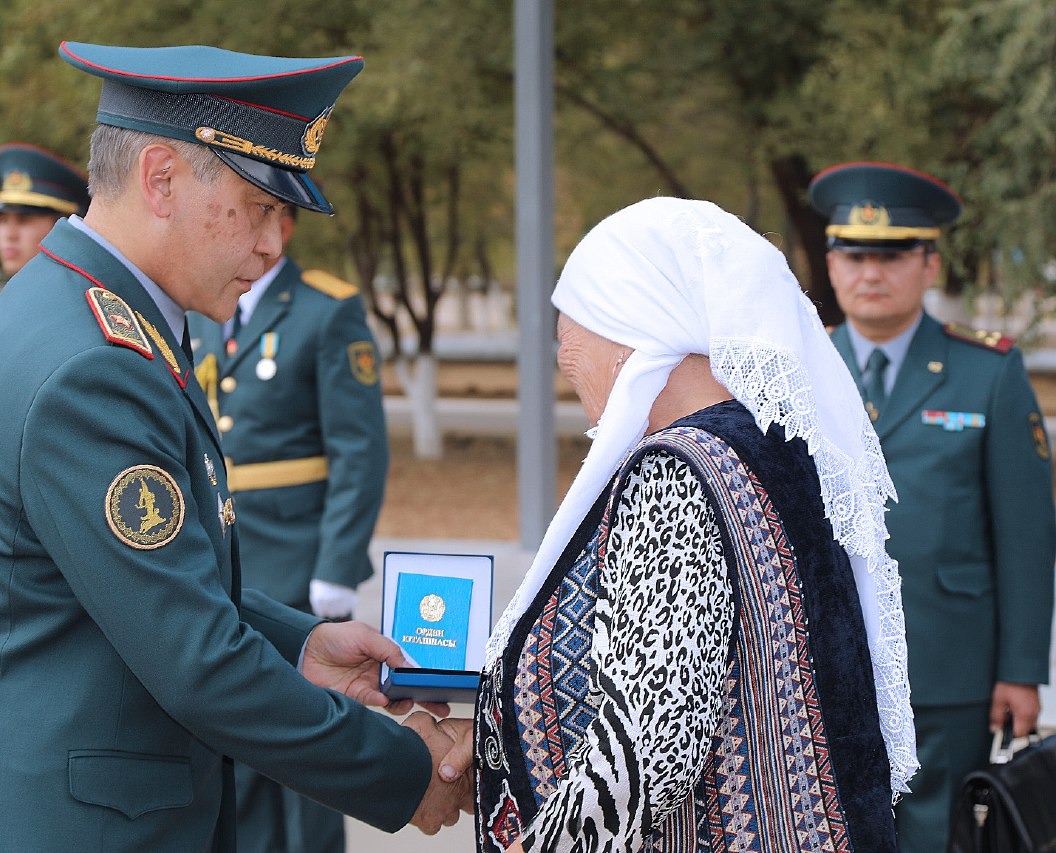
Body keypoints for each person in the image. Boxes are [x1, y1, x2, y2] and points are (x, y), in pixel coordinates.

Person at [0, 41, 467, 851]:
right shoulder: (94, 362)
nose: (275, 244)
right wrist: (407, 770)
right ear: (161, 179)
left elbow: (147, 584)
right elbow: (194, 658)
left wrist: (298, 642)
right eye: (260, 207)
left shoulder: (86, 311)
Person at [440, 197, 917, 851]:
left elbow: (655, 731)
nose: (564, 354)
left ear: (632, 324)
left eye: (571, 331)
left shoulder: (677, 468)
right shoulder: (771, 443)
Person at [811, 160, 1056, 853]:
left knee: (936, 833)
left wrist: (1021, 668)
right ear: (830, 264)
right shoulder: (800, 370)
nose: (870, 272)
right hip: (827, 658)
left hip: (950, 662)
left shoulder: (989, 371)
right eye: (853, 254)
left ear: (930, 264)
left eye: (891, 255)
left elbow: (1026, 534)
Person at [190, 203, 387, 853]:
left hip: (299, 557)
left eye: (265, 215)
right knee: (241, 735)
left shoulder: (325, 310)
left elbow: (359, 452)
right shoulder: (203, 310)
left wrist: (337, 563)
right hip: (227, 553)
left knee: (305, 749)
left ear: (288, 225)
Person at [0, 142, 89, 374]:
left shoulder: (87, 314)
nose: (9, 234)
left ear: (64, 227)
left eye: (24, 219)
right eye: (2, 220)